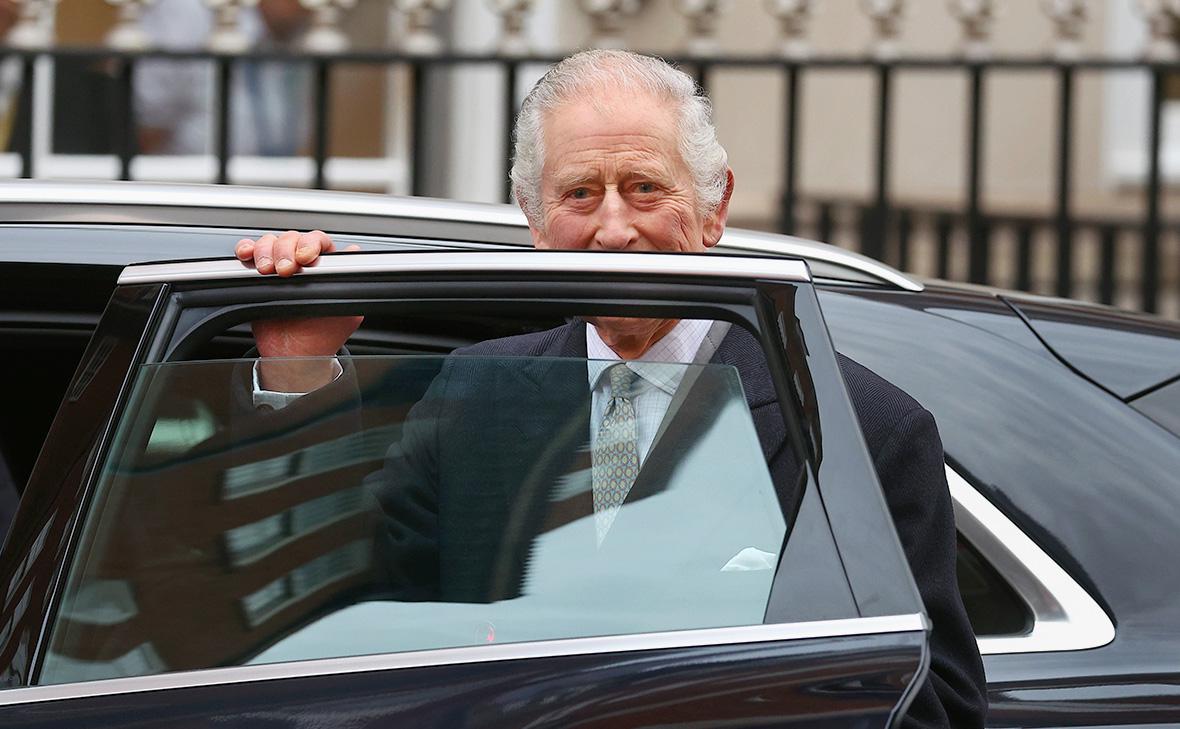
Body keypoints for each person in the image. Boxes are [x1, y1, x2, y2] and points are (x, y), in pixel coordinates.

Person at [234, 50, 987, 728]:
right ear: (535, 220)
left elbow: (933, 705)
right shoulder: (475, 392)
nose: (615, 229)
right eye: (580, 194)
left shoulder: (861, 425)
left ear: (715, 207)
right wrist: (299, 372)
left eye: (645, 188)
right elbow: (343, 618)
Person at [136, 0, 312, 156]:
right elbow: (149, 124)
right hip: (185, 176)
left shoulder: (300, 29)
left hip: (273, 177)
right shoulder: (189, 12)